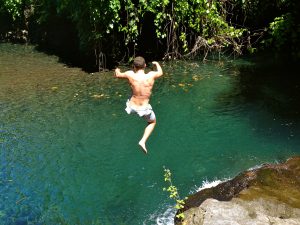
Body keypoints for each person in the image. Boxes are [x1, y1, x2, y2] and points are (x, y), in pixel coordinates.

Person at [114, 56, 163, 154]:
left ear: (134, 67)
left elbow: (118, 75)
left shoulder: (130, 74)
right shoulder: (151, 75)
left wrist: (117, 69)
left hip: (132, 107)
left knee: (132, 93)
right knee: (152, 122)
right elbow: (160, 72)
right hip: (144, 109)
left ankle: (132, 100)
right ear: (145, 65)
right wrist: (157, 64)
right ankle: (143, 141)